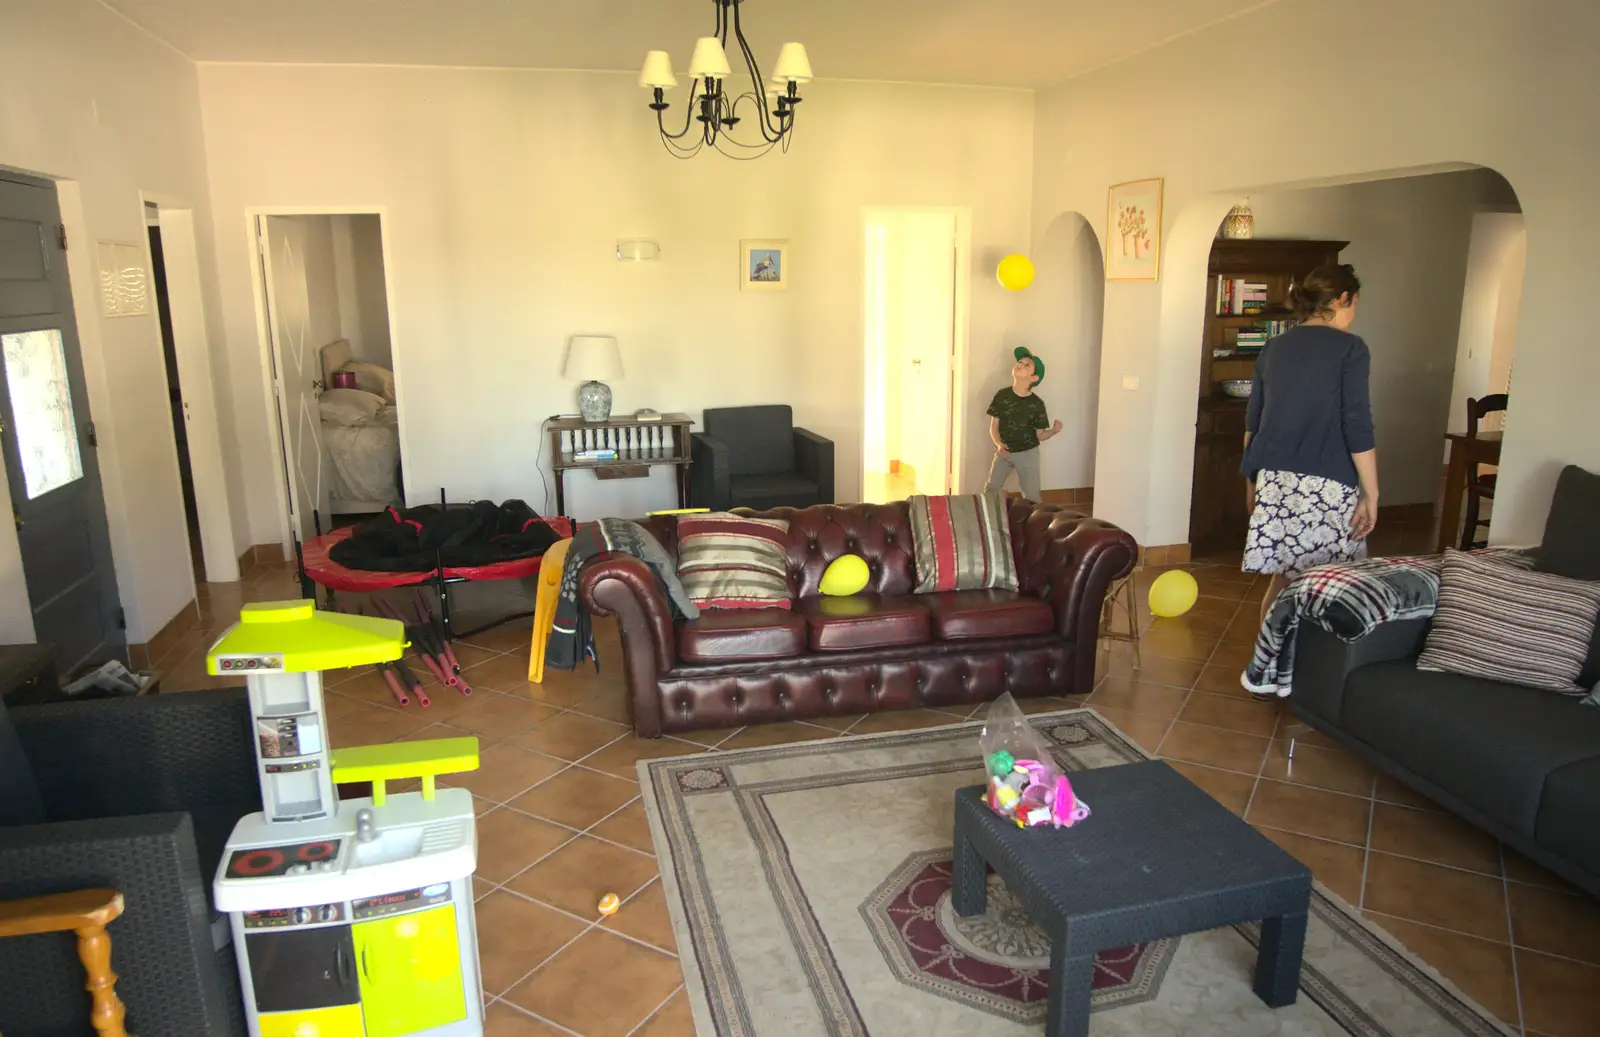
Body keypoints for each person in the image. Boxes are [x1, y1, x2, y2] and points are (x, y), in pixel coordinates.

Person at [1240, 263, 1379, 632]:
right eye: (1355, 303)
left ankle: (1266, 664)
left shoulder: (1274, 347)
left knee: (1283, 580)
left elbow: (1253, 423)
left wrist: (1252, 483)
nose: (1354, 312)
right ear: (1342, 299)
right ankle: (1310, 671)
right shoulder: (1351, 349)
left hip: (1274, 479)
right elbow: (1357, 424)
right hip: (1327, 483)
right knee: (1330, 582)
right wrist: (1372, 492)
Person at [986, 346, 1064, 501]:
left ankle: (1036, 523)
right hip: (1005, 451)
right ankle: (989, 520)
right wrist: (999, 444)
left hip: (1028, 454)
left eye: (1027, 365)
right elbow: (994, 425)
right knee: (991, 489)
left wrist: (1054, 431)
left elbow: (1040, 435)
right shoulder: (1002, 396)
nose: (1020, 364)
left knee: (1032, 495)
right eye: (1020, 361)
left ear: (1034, 378)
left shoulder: (1037, 404)